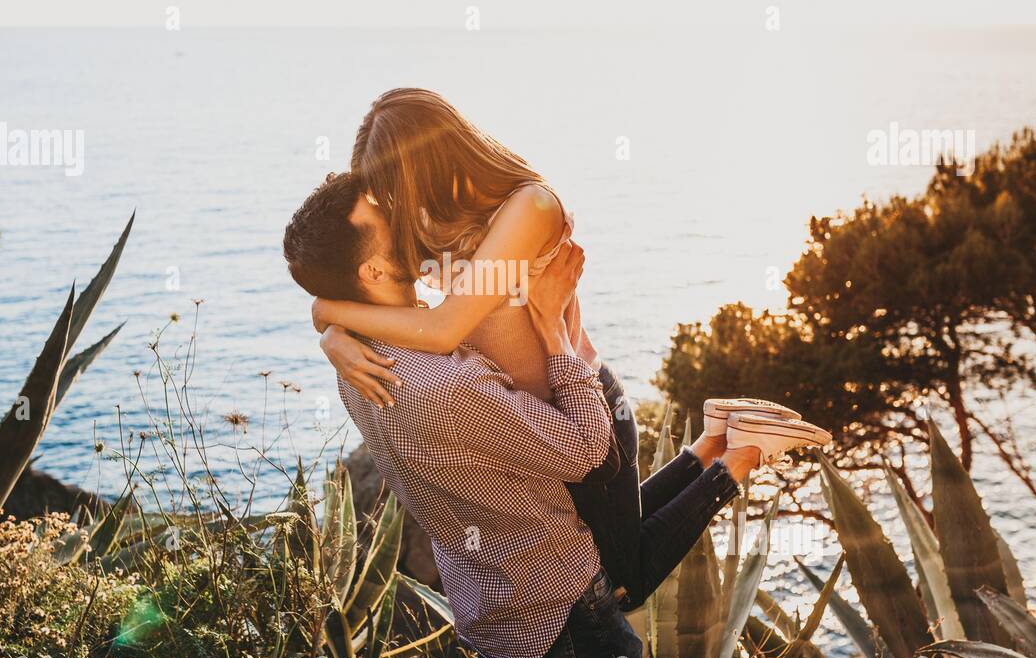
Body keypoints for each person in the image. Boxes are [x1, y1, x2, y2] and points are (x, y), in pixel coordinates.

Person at [283, 172, 830, 658]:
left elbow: (344, 314)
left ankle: (716, 447)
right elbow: (588, 448)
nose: (404, 215)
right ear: (374, 270)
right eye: (385, 216)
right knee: (627, 572)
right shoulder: (443, 386)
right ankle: (737, 454)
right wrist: (553, 331)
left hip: (485, 605)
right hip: (559, 611)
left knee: (627, 558)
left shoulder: (354, 355)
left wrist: (327, 322)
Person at [309, 88, 830, 608]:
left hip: (580, 405)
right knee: (607, 545)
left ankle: (739, 454)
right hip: (532, 422)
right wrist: (331, 332)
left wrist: (330, 316)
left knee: (621, 585)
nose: (394, 207)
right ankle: (717, 436)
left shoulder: (529, 206)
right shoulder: (432, 220)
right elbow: (373, 280)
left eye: (393, 188)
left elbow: (444, 329)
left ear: (426, 161)